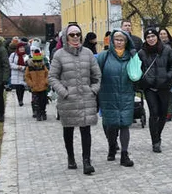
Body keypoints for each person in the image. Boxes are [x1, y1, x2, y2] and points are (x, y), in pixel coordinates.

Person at [49, 23, 101, 174]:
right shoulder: (59, 55)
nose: (76, 37)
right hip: (68, 100)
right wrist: (64, 92)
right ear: (66, 37)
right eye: (72, 34)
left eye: (78, 34)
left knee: (86, 130)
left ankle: (87, 161)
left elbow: (97, 76)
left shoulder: (88, 53)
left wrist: (93, 90)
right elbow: (52, 77)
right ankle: (71, 158)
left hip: (86, 97)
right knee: (69, 130)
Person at [96, 29, 137, 167]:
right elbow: (96, 74)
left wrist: (135, 57)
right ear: (112, 41)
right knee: (111, 125)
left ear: (126, 42)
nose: (119, 42)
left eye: (122, 40)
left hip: (125, 94)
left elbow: (137, 75)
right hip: (108, 94)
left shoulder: (131, 57)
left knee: (125, 124)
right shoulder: (104, 56)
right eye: (117, 40)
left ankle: (124, 155)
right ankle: (112, 147)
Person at [139, 27, 172, 152]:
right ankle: (155, 141)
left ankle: (158, 135)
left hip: (164, 86)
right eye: (148, 37)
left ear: (157, 37)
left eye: (153, 36)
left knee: (162, 113)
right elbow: (137, 69)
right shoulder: (142, 52)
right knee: (153, 112)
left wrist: (167, 77)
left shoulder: (167, 50)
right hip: (149, 87)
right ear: (145, 39)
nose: (151, 39)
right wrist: (142, 81)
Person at [24, 45, 50, 120]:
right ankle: (38, 113)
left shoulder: (43, 65)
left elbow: (47, 74)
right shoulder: (30, 67)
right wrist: (31, 84)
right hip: (34, 87)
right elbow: (27, 76)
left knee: (43, 101)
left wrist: (46, 82)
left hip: (43, 86)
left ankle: (43, 112)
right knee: (36, 101)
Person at [9, 41, 28, 105]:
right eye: (20, 47)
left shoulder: (26, 56)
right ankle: (20, 100)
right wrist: (18, 67)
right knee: (18, 88)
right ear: (18, 48)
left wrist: (23, 67)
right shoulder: (13, 55)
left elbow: (27, 64)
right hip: (16, 74)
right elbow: (10, 64)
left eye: (23, 47)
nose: (22, 48)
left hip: (23, 74)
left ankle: (21, 99)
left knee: (22, 87)